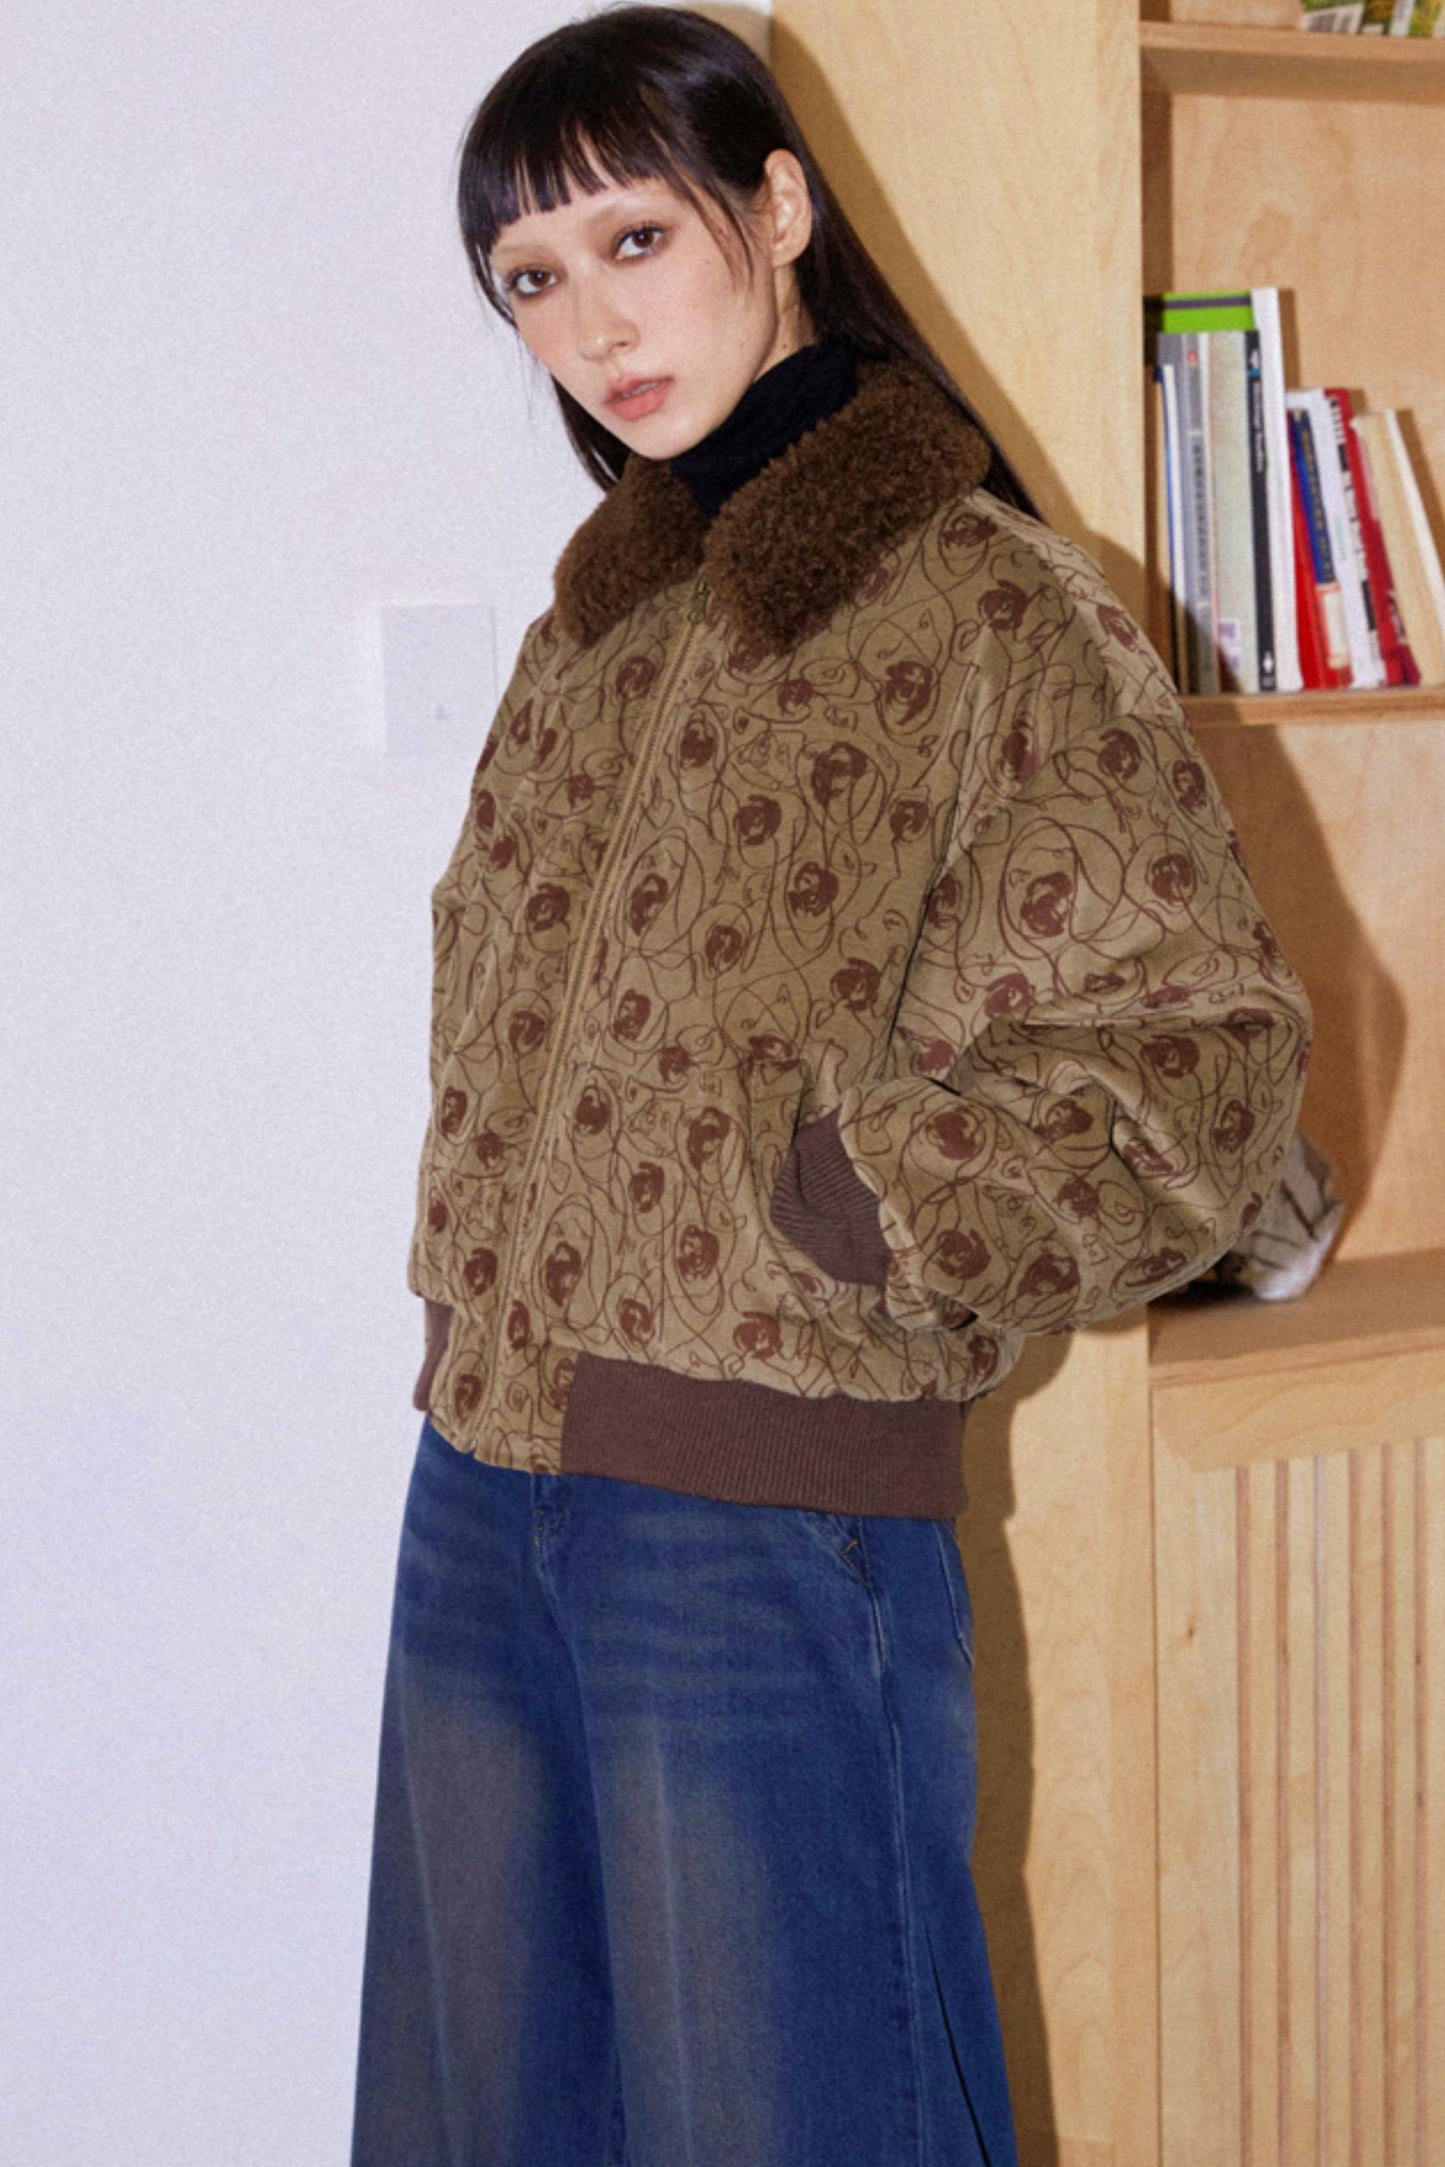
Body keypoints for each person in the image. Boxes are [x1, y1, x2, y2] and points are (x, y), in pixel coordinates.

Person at [349, 9, 1313, 2164]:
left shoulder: (993, 613)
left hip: (759, 1509)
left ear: (776, 208)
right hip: (481, 1478)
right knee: (481, 2115)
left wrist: (869, 1199)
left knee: (798, 2117)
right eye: (531, 279)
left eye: (633, 239)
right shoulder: (591, 633)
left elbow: (1203, 1067)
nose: (590, 326)